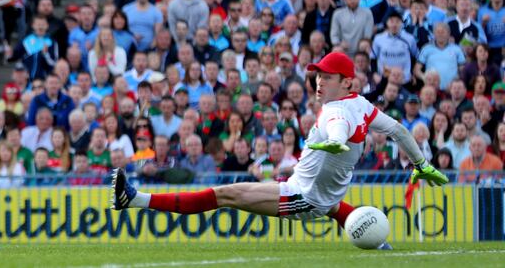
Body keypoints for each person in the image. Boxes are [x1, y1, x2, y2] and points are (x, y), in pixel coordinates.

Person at [112, 52, 448, 250]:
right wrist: (421, 163)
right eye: (317, 76)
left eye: (327, 77)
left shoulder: (336, 111)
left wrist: (335, 139)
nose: (319, 82)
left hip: (303, 197)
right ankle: (379, 243)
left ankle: (136, 199)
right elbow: (399, 130)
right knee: (331, 205)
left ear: (347, 82)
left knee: (225, 194)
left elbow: (337, 127)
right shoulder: (360, 105)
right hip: (322, 195)